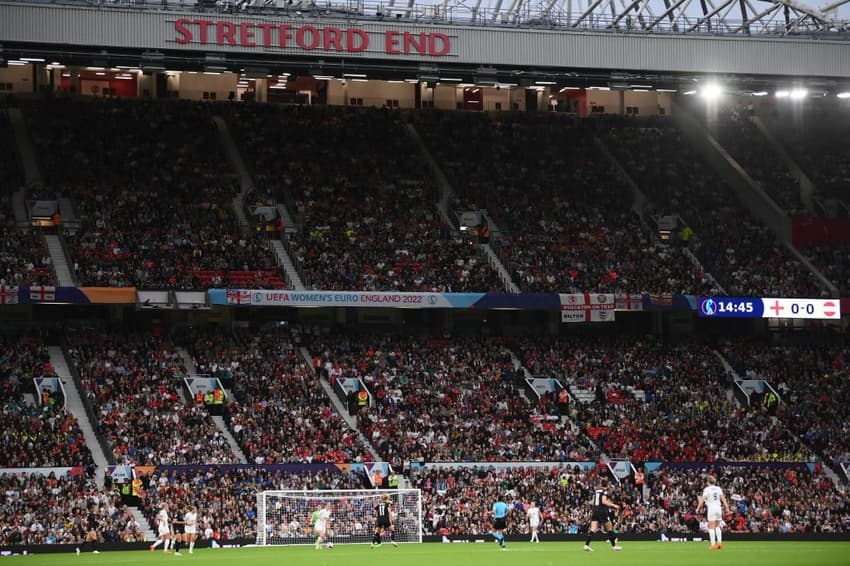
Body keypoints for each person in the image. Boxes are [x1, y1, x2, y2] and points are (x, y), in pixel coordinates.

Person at [584, 478, 622, 552]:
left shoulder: (596, 491)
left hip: (595, 510)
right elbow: (604, 502)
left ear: (601, 484)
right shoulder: (604, 492)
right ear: (607, 485)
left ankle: (586, 545)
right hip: (602, 511)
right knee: (609, 527)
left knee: (593, 529)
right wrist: (614, 505)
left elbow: (592, 502)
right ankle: (614, 546)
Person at [696, 474, 730, 550]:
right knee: (717, 526)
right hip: (718, 508)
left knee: (711, 527)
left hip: (711, 508)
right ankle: (719, 543)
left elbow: (702, 499)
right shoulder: (718, 488)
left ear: (708, 482)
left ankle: (713, 544)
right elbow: (723, 499)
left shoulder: (707, 489)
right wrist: (727, 508)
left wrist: (698, 508)